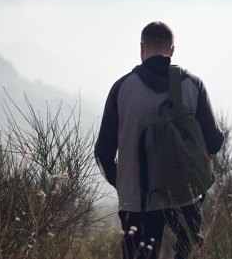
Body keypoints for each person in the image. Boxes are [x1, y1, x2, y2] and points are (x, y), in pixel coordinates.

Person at [95, 21, 224, 259]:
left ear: (141, 48)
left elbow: (103, 152)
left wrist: (124, 183)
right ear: (172, 50)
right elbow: (214, 142)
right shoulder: (193, 86)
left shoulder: (122, 89)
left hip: (137, 200)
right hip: (186, 195)